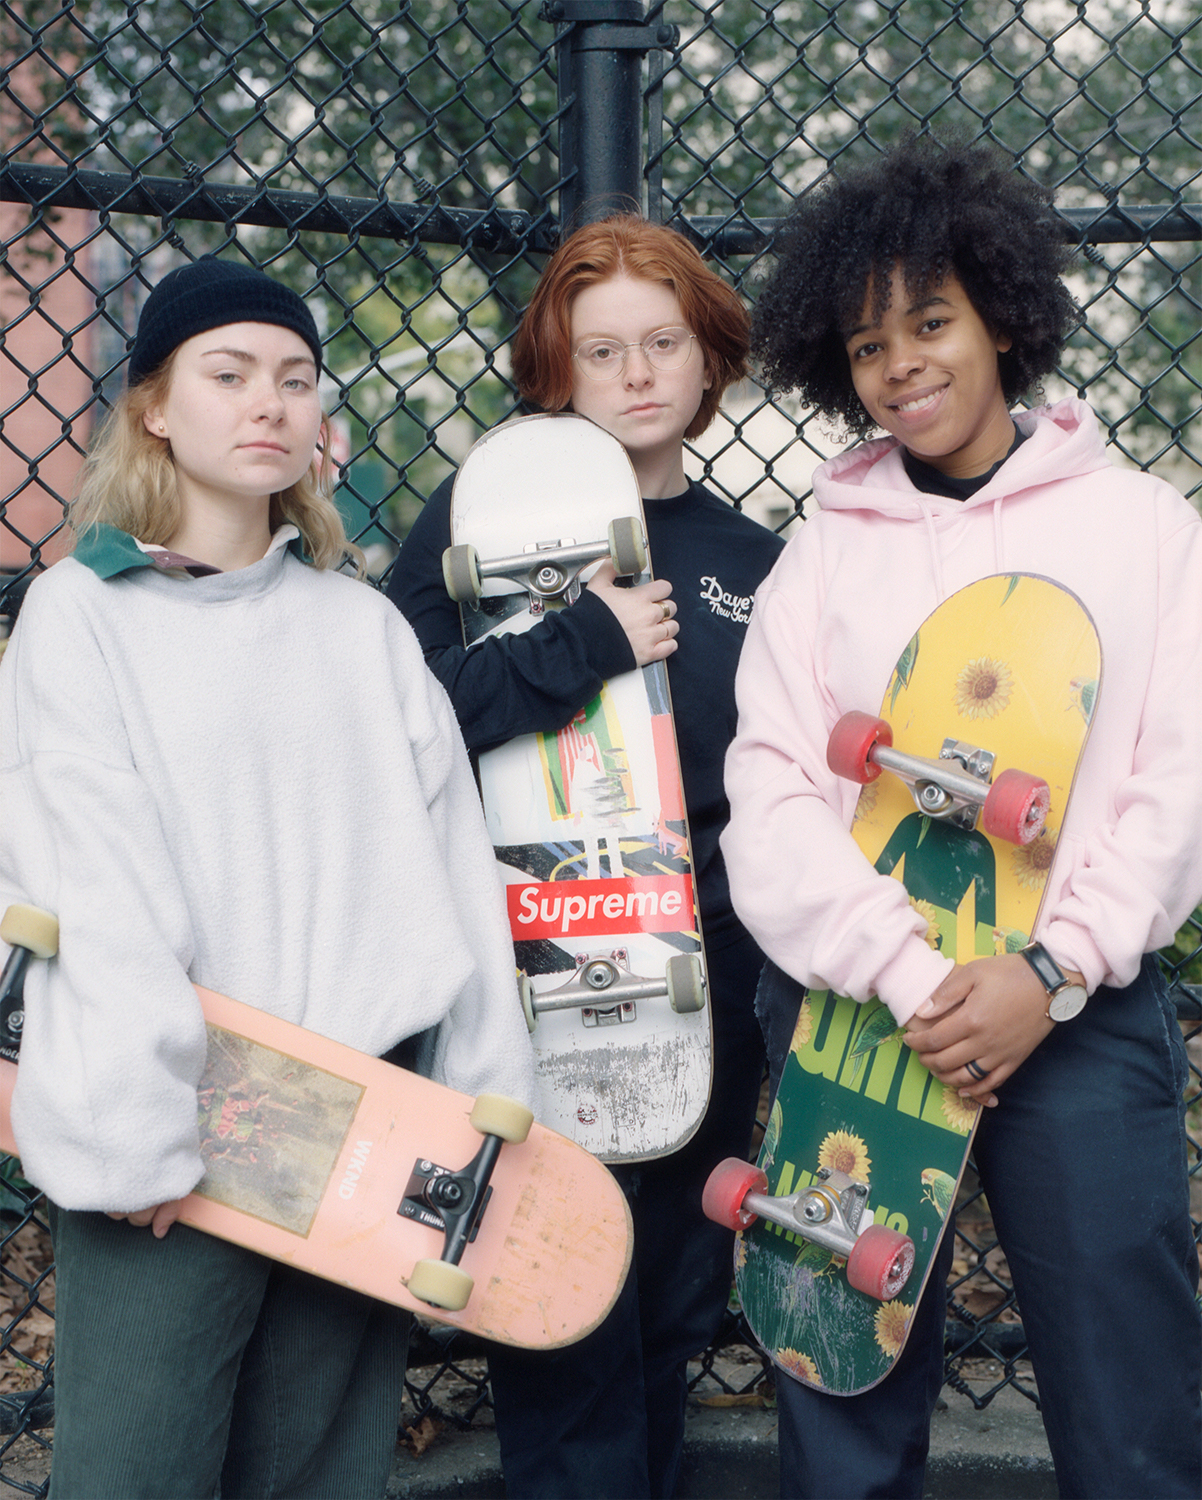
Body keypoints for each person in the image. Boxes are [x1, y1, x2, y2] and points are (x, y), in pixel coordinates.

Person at [0, 257, 536, 1500]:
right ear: (154, 407)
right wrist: (137, 1136)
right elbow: (99, 885)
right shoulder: (83, 614)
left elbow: (454, 879)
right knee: (134, 1473)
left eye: (295, 380)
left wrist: (477, 1110)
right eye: (229, 374)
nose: (268, 404)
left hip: (361, 1121)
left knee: (314, 1473)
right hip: (184, 1123)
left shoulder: (362, 629)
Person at [722, 135, 1202, 1500]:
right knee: (843, 1381)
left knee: (1126, 1406)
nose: (902, 365)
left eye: (929, 322)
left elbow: (1174, 784)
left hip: (1073, 1008)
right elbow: (770, 790)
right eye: (868, 345)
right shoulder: (823, 547)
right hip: (861, 1010)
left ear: (1000, 313)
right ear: (837, 362)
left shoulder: (1141, 527)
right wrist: (920, 979)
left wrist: (1045, 975)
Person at [388, 215, 784, 1499]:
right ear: (552, 368)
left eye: (661, 341)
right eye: (597, 347)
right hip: (525, 983)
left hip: (698, 989)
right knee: (551, 1309)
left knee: (668, 1319)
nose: (634, 373)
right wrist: (579, 644)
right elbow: (394, 719)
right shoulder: (478, 519)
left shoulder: (753, 562)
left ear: (706, 359)